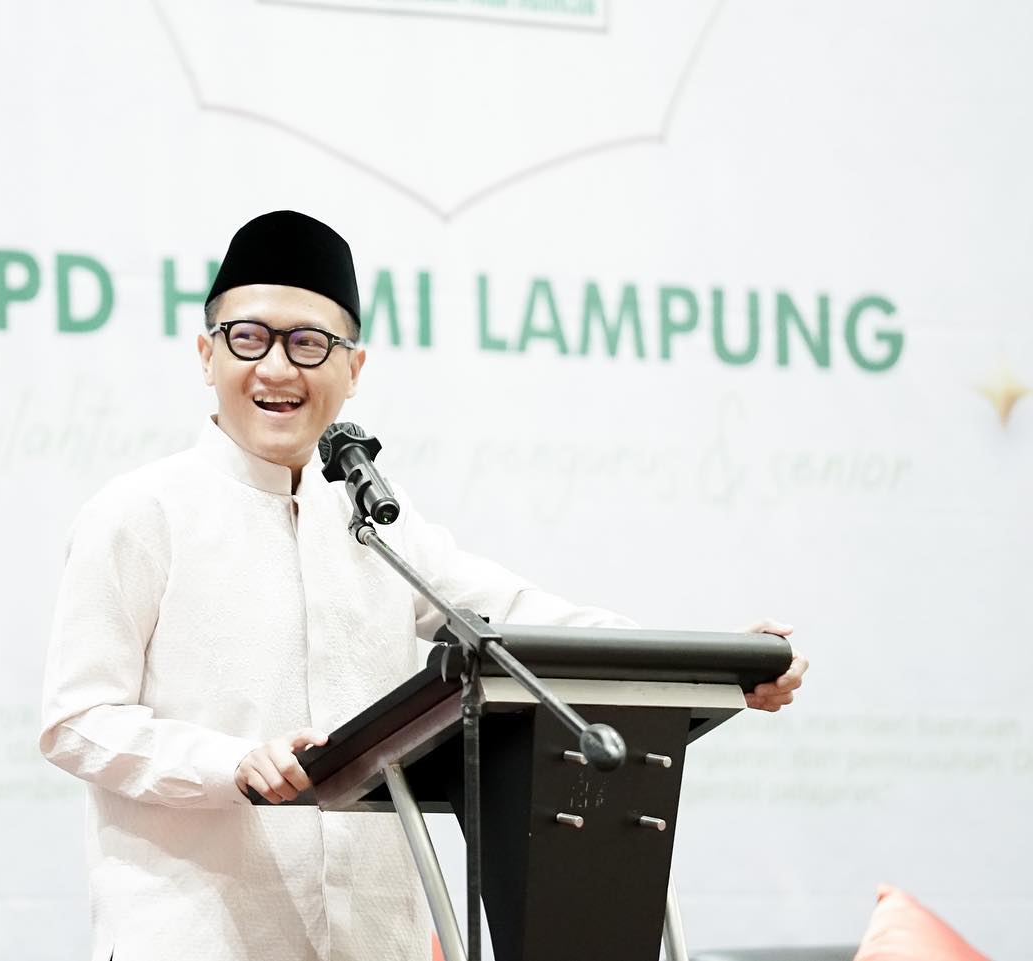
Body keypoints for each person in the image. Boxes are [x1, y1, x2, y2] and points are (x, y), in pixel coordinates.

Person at [40, 210, 808, 961]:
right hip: (198, 935)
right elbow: (76, 719)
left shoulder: (373, 518)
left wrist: (710, 668)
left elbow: (515, 616)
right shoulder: (139, 512)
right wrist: (228, 762)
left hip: (376, 937)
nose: (276, 368)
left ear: (353, 370)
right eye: (249, 338)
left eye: (309, 343)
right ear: (207, 354)